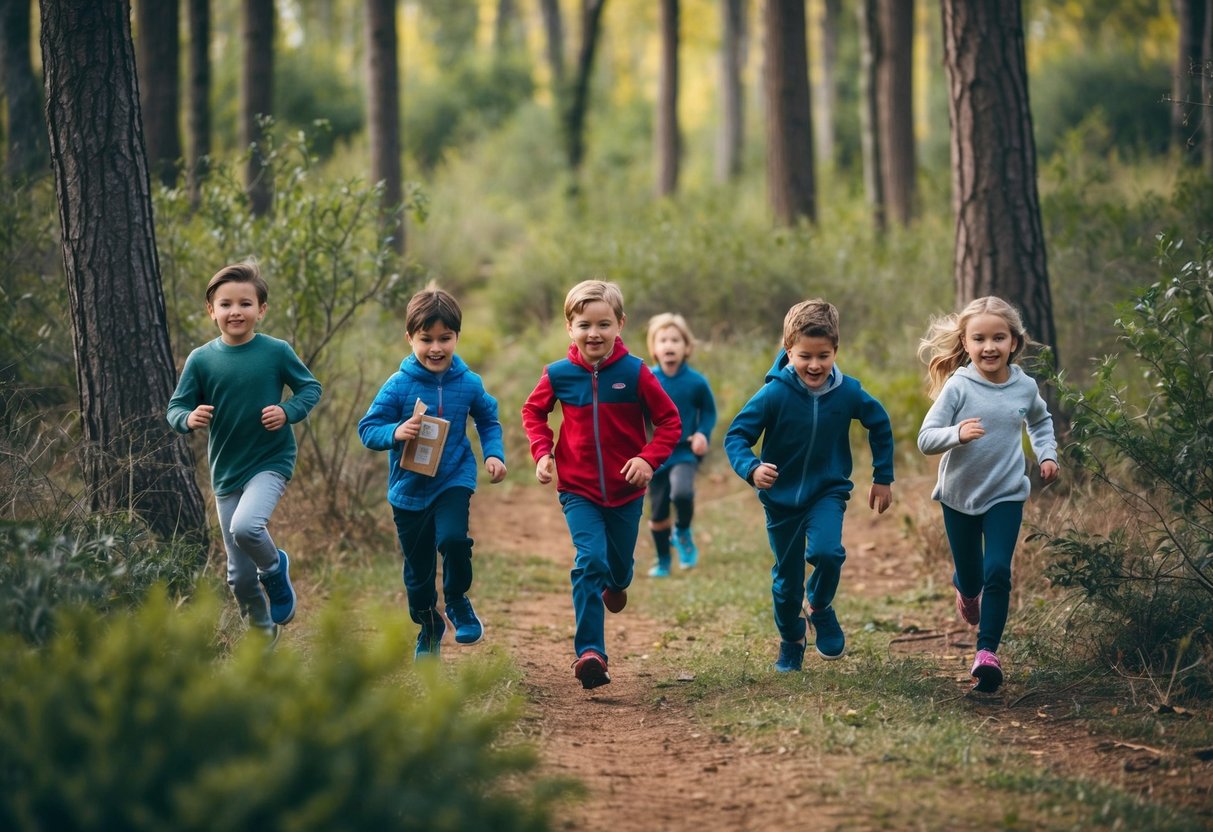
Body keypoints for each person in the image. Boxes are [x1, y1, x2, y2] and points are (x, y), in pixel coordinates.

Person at [521, 280, 681, 689]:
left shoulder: (636, 372)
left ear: (620, 324)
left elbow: (669, 422)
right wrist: (543, 452)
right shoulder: (558, 375)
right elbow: (533, 412)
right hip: (579, 491)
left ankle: (618, 582)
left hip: (627, 491)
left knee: (618, 569)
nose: (594, 333)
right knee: (589, 559)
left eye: (604, 324)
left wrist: (648, 459)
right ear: (569, 327)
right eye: (584, 325)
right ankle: (590, 652)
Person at [724, 299, 894, 673]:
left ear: (836, 351)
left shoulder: (848, 392)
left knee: (828, 553)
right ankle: (791, 638)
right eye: (805, 356)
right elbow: (736, 436)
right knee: (786, 582)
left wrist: (882, 477)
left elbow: (879, 423)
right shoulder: (774, 394)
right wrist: (751, 469)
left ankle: (819, 605)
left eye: (824, 355)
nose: (814, 365)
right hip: (781, 499)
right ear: (788, 352)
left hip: (827, 491)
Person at [167, 260, 322, 647]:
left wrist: (287, 411)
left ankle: (274, 567)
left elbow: (310, 388)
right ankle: (261, 632)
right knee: (237, 576)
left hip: (270, 461)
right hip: (226, 470)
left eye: (245, 303)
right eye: (225, 304)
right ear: (211, 310)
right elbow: (175, 408)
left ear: (261, 309)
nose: (235, 311)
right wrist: (189, 417)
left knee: (247, 526)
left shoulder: (275, 352)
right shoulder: (201, 359)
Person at [916, 296, 1058, 694]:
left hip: (1006, 493)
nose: (989, 346)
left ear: (1015, 341)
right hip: (958, 496)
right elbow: (926, 438)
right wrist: (956, 434)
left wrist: (1046, 454)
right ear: (965, 342)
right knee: (974, 575)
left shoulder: (1024, 386)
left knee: (998, 570)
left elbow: (1041, 421)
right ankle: (965, 587)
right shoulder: (959, 386)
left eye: (999, 337)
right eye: (979, 339)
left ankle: (986, 654)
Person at [358, 284, 506, 661]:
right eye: (426, 339)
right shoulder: (399, 384)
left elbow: (488, 418)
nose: (436, 348)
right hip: (408, 490)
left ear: (457, 336)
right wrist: (395, 432)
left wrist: (493, 454)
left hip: (453, 478)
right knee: (418, 573)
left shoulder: (468, 382)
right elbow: (368, 428)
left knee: (455, 540)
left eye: (445, 338)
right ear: (410, 338)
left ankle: (457, 601)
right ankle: (429, 624)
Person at [644, 313, 717, 576]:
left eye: (675, 339)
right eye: (663, 340)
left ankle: (683, 530)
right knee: (658, 514)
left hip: (685, 451)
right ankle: (663, 560)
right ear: (654, 348)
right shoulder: (647, 380)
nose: (669, 345)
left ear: (687, 347)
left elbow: (708, 411)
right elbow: (637, 415)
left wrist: (702, 434)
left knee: (682, 492)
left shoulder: (696, 382)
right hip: (654, 456)